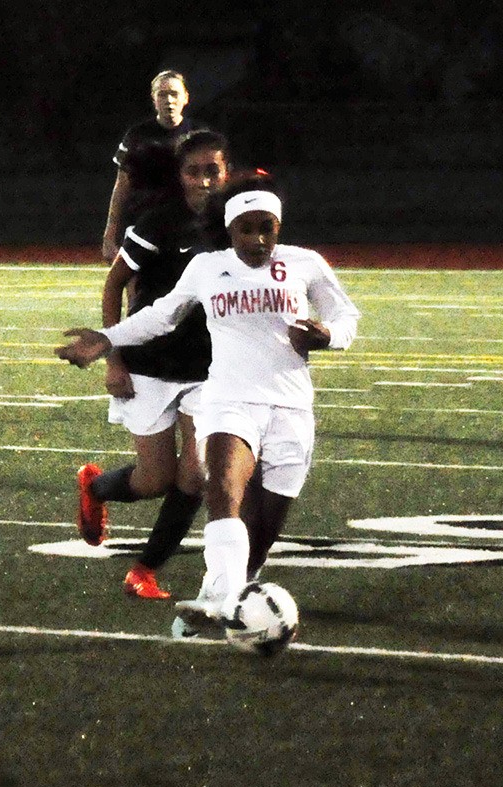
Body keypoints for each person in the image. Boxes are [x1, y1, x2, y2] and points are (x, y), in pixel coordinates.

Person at [56, 176, 360, 633]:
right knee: (221, 487)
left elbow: (346, 316)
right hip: (229, 398)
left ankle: (228, 599)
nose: (258, 239)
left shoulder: (306, 264)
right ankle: (218, 597)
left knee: (261, 537)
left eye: (267, 228)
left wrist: (329, 335)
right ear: (229, 228)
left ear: (278, 227)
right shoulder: (206, 267)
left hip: (291, 407)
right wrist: (107, 339)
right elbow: (161, 316)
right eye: (246, 229)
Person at [78, 129, 232, 600]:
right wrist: (114, 360)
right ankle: (97, 488)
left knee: (198, 474)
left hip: (207, 371)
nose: (204, 181)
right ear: (179, 175)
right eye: (194, 171)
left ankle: (145, 570)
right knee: (154, 481)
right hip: (147, 365)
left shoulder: (235, 224)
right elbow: (113, 287)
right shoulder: (157, 224)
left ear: (227, 173)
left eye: (213, 170)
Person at [102, 69, 207, 263]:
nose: (169, 100)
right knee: (137, 289)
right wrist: (109, 235)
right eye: (162, 94)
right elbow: (121, 187)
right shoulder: (137, 137)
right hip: (142, 227)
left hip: (187, 229)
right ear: (154, 99)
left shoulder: (200, 136)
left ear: (186, 98)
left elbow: (214, 186)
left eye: (174, 94)